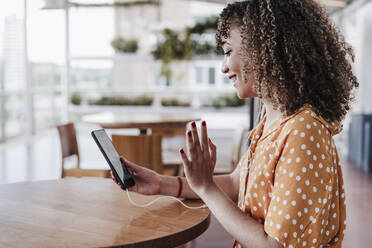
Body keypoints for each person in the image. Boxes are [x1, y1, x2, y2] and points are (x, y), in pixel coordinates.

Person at [111, 0, 358, 247]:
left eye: (228, 51)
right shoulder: (274, 122)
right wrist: (160, 183)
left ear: (264, 50)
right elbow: (236, 183)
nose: (224, 67)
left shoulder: (304, 133)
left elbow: (274, 245)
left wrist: (207, 188)